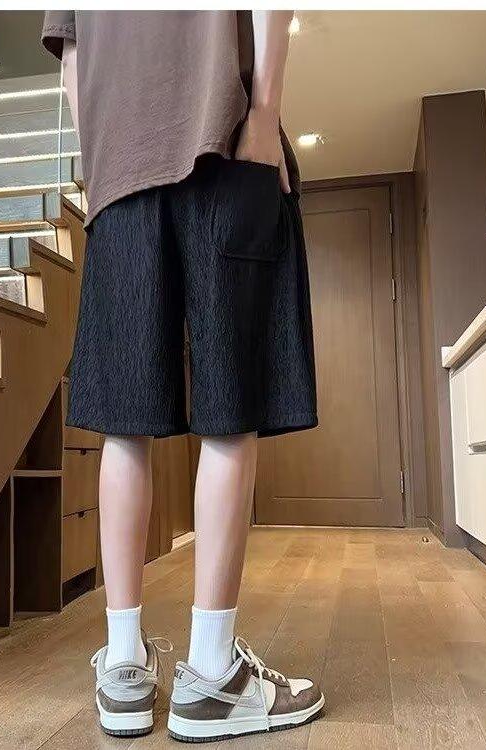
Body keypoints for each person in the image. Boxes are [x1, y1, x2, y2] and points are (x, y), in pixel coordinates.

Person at [42, 10, 323, 742]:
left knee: (125, 424)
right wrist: (264, 114)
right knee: (230, 411)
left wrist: (103, 158)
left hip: (118, 175)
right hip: (222, 145)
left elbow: (71, 62)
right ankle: (211, 673)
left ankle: (124, 668)